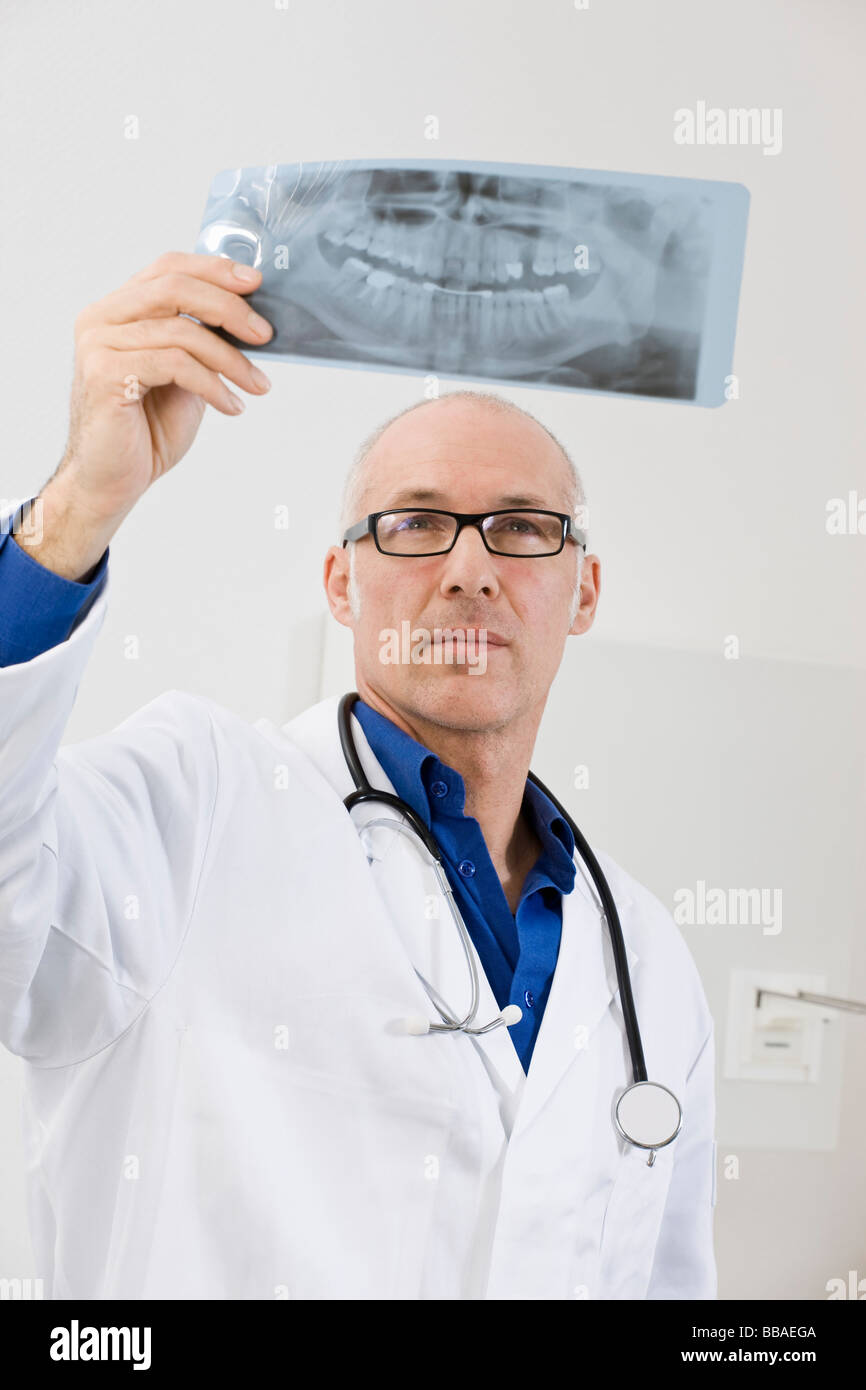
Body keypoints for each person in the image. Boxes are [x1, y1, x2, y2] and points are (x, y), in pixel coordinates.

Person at [0, 251, 716, 1300]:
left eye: (522, 529)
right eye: (416, 524)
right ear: (342, 581)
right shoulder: (195, 803)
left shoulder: (646, 958)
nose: (469, 568)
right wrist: (77, 510)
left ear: (583, 591)